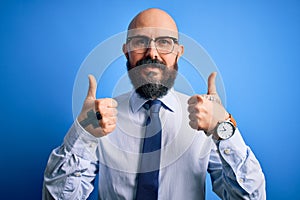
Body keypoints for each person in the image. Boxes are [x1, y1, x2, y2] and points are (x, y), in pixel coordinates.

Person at [43, 8, 266, 200]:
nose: (152, 53)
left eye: (164, 43)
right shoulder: (101, 118)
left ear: (179, 52)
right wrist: (84, 132)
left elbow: (250, 197)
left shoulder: (205, 119)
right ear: (126, 50)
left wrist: (221, 128)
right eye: (140, 41)